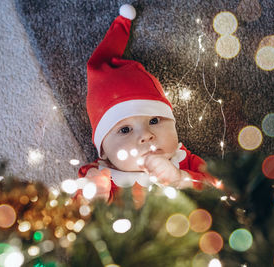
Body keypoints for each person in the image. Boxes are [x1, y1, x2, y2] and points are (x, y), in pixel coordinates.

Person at [75, 4, 215, 203]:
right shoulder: (102, 176)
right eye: (124, 130)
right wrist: (92, 198)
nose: (146, 136)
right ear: (104, 150)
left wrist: (181, 179)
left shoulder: (184, 160)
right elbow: (70, 221)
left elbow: (223, 191)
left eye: (155, 120)